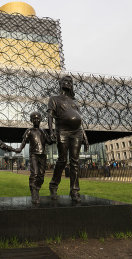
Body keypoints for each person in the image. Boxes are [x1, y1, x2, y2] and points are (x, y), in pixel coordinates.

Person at [48, 75, 89, 203]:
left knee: (75, 161)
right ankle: (54, 185)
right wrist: (51, 131)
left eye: (70, 82)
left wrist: (85, 138)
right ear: (60, 83)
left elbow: (80, 122)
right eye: (65, 81)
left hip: (77, 132)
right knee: (62, 159)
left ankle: (75, 191)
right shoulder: (54, 99)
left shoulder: (74, 102)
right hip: (62, 131)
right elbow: (50, 116)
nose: (68, 83)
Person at [15, 112, 53, 204]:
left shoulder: (43, 131)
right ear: (31, 120)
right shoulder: (29, 131)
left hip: (42, 155)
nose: (36, 120)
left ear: (40, 119)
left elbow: (49, 141)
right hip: (34, 155)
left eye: (38, 118)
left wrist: (53, 136)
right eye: (34, 118)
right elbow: (24, 141)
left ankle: (37, 189)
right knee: (35, 174)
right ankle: (34, 193)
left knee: (41, 176)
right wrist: (20, 148)